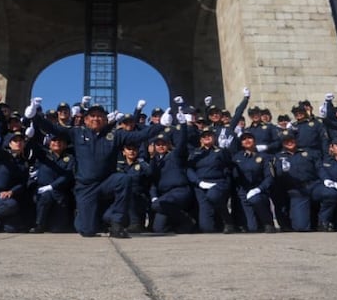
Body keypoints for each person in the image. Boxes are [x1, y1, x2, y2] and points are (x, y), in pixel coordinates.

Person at [27, 98, 162, 238]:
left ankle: (116, 223)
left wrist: (161, 125)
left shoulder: (115, 135)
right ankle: (96, 218)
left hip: (106, 183)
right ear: (86, 119)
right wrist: (34, 116)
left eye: (100, 116)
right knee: (87, 231)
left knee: (123, 179)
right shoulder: (77, 133)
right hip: (86, 187)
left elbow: (140, 135)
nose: (96, 118)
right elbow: (54, 128)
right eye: (92, 116)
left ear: (105, 119)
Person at [186, 127, 235, 233]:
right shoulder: (195, 153)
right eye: (204, 136)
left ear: (214, 138)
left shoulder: (220, 151)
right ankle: (217, 224)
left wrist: (226, 150)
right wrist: (198, 182)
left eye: (209, 135)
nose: (207, 137)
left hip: (217, 182)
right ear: (201, 140)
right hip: (201, 184)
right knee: (206, 228)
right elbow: (189, 169)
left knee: (213, 196)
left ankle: (228, 221)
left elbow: (228, 163)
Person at [230, 132, 277, 233]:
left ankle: (267, 223)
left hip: (259, 190)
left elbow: (270, 177)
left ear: (255, 141)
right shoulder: (237, 157)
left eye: (250, 138)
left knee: (256, 200)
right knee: (252, 228)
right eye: (244, 139)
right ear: (241, 143)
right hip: (243, 191)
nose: (247, 140)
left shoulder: (264, 157)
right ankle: (257, 223)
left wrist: (259, 189)